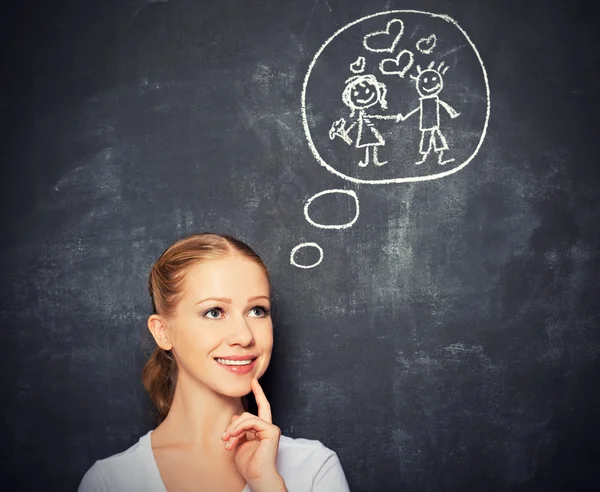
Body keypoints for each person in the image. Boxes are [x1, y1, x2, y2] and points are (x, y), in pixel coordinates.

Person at [78, 233, 350, 491]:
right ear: (162, 331)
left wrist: (266, 484)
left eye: (257, 311)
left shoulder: (314, 467)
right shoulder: (110, 482)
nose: (244, 336)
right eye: (214, 312)